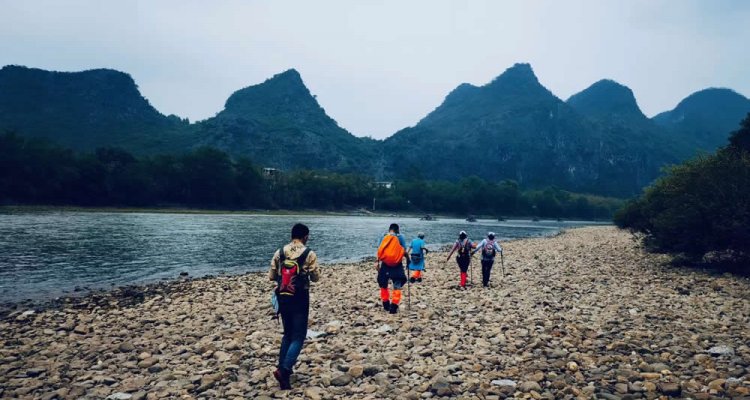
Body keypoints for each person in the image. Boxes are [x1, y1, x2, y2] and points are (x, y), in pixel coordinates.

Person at [269, 223, 320, 390]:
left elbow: (272, 276)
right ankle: (284, 370)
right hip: (300, 297)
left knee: (288, 334)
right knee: (298, 336)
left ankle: (281, 367)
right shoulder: (309, 253)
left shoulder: (279, 252)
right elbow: (315, 278)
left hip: (283, 296)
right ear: (305, 236)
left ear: (291, 236)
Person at [376, 223, 408, 314]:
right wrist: (408, 260)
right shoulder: (401, 237)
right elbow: (404, 250)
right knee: (397, 284)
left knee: (383, 284)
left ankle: (386, 304)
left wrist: (377, 262)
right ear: (398, 230)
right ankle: (394, 307)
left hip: (385, 264)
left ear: (389, 229)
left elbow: (379, 250)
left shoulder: (383, 236)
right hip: (397, 264)